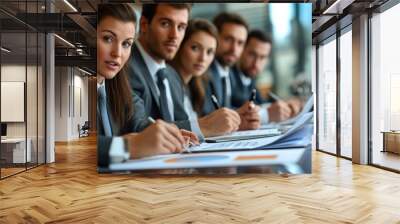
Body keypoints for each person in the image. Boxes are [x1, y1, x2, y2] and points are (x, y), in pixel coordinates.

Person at [97, 4, 198, 167]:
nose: (118, 53)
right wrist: (130, 145)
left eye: (126, 44)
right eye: (108, 39)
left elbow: (139, 121)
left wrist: (167, 135)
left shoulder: (117, 85)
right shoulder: (74, 87)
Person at [127, 4, 239, 138]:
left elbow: (182, 122)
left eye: (181, 27)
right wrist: (204, 125)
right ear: (144, 24)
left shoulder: (171, 75)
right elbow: (139, 128)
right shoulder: (125, 67)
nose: (174, 35)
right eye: (165, 24)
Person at [169, 18, 241, 137]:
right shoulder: (168, 83)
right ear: (180, 45)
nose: (203, 58)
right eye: (195, 48)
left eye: (210, 52)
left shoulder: (196, 85)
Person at [202, 12, 261, 130]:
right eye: (228, 39)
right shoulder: (203, 72)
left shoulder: (228, 72)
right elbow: (206, 116)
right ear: (214, 37)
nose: (234, 49)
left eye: (240, 43)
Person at [230, 29, 302, 123]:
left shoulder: (250, 79)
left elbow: (261, 104)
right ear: (241, 50)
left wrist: (285, 106)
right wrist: (267, 114)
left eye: (262, 57)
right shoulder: (229, 76)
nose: (256, 63)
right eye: (252, 54)